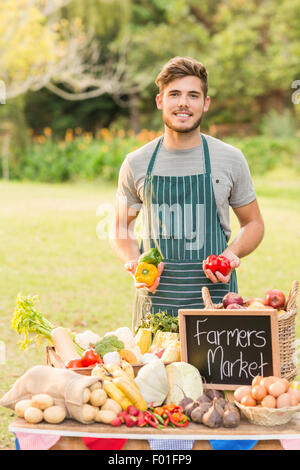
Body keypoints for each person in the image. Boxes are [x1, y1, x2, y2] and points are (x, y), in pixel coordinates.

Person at [110, 56, 265, 451]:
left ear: (206, 104)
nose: (184, 103)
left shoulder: (230, 158)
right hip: (157, 307)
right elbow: (121, 229)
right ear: (159, 100)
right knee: (163, 421)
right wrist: (135, 265)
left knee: (223, 418)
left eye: (193, 95)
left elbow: (253, 224)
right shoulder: (137, 162)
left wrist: (229, 257)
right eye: (175, 94)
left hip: (216, 312)